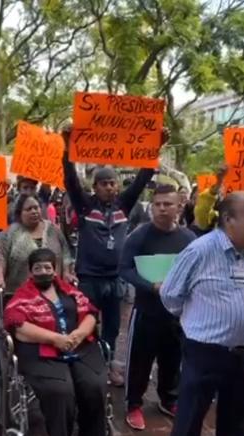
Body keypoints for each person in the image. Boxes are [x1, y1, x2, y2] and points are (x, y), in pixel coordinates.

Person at [160, 191, 244, 436]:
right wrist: (198, 324)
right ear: (228, 220)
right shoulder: (199, 251)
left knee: (239, 416)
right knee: (190, 415)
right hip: (205, 353)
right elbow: (171, 295)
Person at [62, 127, 168, 386]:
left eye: (112, 183)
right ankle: (89, 364)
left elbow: (143, 177)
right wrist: (68, 146)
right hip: (89, 279)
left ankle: (108, 363)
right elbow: (70, 181)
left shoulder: (124, 205)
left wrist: (156, 145)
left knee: (112, 326)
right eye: (104, 183)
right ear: (95, 187)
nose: (109, 187)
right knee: (87, 323)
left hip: (116, 279)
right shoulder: (85, 206)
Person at [4, 248, 107, 436]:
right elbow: (17, 325)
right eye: (38, 268)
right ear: (30, 272)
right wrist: (56, 339)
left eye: (48, 268)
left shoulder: (70, 290)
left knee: (94, 385)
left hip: (78, 345)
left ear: (55, 269)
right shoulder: (22, 296)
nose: (43, 272)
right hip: (41, 350)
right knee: (60, 392)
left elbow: (90, 312)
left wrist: (79, 334)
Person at [119, 185, 196, 431]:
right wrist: (150, 285)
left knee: (172, 359)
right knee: (140, 361)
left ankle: (168, 399)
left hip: (176, 314)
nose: (162, 208)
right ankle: (133, 405)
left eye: (168, 204)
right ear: (151, 206)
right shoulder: (139, 236)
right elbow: (124, 269)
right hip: (146, 311)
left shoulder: (188, 239)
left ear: (179, 207)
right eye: (157, 204)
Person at [0, 194, 75, 300]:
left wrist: (67, 273)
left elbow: (66, 255)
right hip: (20, 297)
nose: (34, 211)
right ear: (19, 213)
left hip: (53, 294)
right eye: (29, 209)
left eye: (36, 208)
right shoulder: (10, 233)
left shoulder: (53, 230)